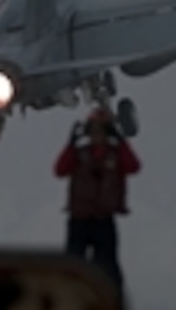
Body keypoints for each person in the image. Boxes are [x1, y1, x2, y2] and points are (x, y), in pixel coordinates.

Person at [54, 106, 141, 295]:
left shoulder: (116, 154)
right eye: (93, 130)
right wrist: (71, 144)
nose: (97, 135)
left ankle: (111, 301)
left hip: (103, 219)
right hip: (80, 219)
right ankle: (70, 299)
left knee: (108, 267)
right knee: (73, 265)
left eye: (101, 130)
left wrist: (121, 141)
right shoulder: (79, 153)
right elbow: (60, 170)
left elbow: (133, 166)